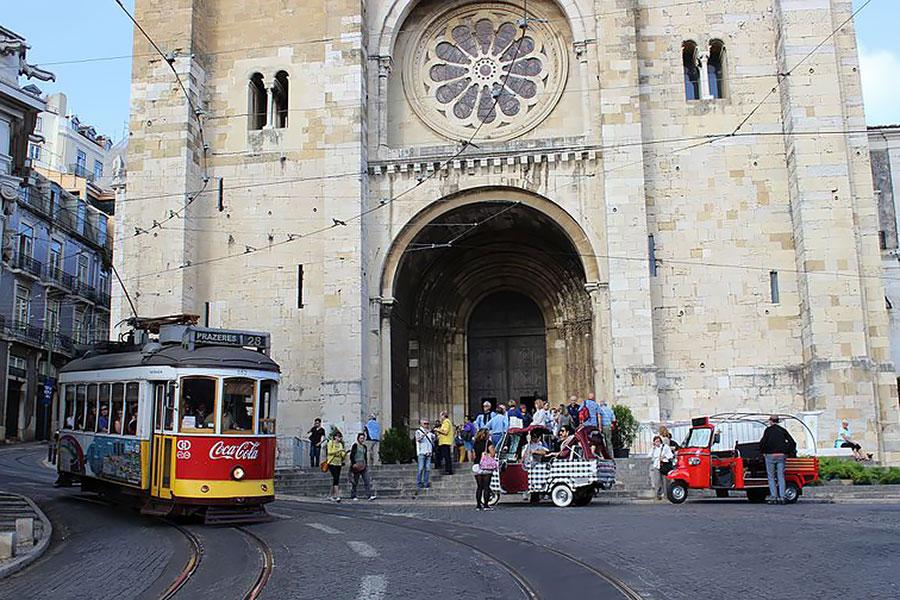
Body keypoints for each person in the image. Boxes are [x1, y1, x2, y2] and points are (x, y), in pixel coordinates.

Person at [758, 415, 796, 504]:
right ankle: (782, 497)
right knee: (781, 477)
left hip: (770, 455)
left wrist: (763, 451)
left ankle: (773, 497)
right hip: (781, 456)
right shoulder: (782, 430)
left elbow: (762, 443)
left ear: (771, 421)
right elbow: (792, 442)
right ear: (778, 421)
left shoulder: (768, 430)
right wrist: (787, 451)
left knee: (771, 477)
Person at [473, 428, 497, 511]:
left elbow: (474, 455)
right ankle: (486, 505)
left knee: (479, 487)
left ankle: (478, 505)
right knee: (486, 486)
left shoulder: (475, 443)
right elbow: (493, 454)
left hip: (477, 465)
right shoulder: (488, 443)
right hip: (486, 465)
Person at [348, 432, 376, 501]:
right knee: (355, 481)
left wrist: (366, 463)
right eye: (361, 438)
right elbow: (352, 455)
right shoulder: (355, 445)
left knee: (367, 480)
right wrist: (353, 463)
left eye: (363, 438)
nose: (362, 439)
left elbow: (365, 456)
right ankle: (353, 495)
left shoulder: (364, 447)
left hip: (363, 465)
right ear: (358, 439)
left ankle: (369, 495)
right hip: (356, 465)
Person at [649, 435, 674, 500]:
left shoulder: (665, 447)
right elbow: (649, 456)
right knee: (657, 481)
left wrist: (664, 457)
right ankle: (657, 495)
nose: (657, 443)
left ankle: (666, 495)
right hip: (656, 465)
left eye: (658, 441)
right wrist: (653, 449)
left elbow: (671, 455)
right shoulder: (653, 448)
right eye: (656, 442)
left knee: (665, 481)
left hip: (664, 465)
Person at [326, 430, 348, 502]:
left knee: (335, 479)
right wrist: (338, 451)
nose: (339, 438)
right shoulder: (330, 443)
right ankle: (337, 496)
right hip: (331, 463)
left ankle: (330, 495)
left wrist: (345, 453)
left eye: (340, 437)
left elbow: (342, 455)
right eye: (338, 437)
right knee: (336, 479)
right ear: (335, 437)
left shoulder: (340, 444)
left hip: (338, 463)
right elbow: (329, 452)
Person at [415, 419, 435, 489]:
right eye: (425, 423)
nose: (426, 425)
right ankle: (419, 483)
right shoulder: (418, 431)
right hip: (421, 452)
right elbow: (418, 439)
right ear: (421, 424)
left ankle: (426, 483)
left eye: (427, 423)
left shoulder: (429, 432)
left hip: (429, 452)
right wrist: (424, 434)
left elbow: (434, 439)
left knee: (427, 469)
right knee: (420, 468)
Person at [435, 411, 454, 475]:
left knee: (446, 456)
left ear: (443, 415)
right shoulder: (445, 422)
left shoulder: (446, 422)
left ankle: (448, 470)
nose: (440, 417)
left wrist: (437, 430)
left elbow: (445, 432)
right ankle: (446, 469)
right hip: (444, 441)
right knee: (445, 456)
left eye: (441, 416)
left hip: (445, 442)